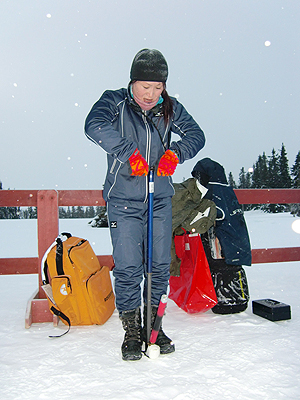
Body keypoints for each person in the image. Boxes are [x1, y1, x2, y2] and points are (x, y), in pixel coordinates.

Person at [85, 49, 205, 361]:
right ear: (132, 82)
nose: (151, 95)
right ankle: (132, 330)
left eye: (158, 88)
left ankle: (155, 325)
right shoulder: (114, 101)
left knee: (159, 266)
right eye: (145, 87)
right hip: (124, 201)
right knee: (127, 267)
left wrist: (175, 153)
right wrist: (127, 152)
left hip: (160, 200)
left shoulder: (170, 107)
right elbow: (93, 125)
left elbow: (196, 135)